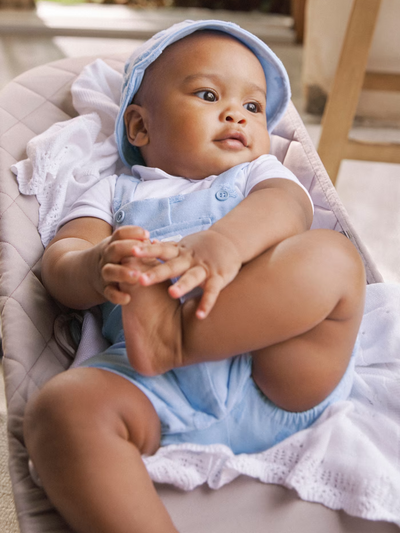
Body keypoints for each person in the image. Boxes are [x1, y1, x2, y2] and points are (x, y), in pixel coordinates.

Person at [23, 20, 366, 533]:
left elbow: (289, 208)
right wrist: (95, 267)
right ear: (140, 128)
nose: (237, 115)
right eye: (208, 94)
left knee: (333, 258)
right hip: (151, 383)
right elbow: (62, 260)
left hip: (276, 369)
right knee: (59, 411)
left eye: (253, 107)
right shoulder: (116, 193)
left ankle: (177, 335)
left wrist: (225, 244)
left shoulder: (255, 175)